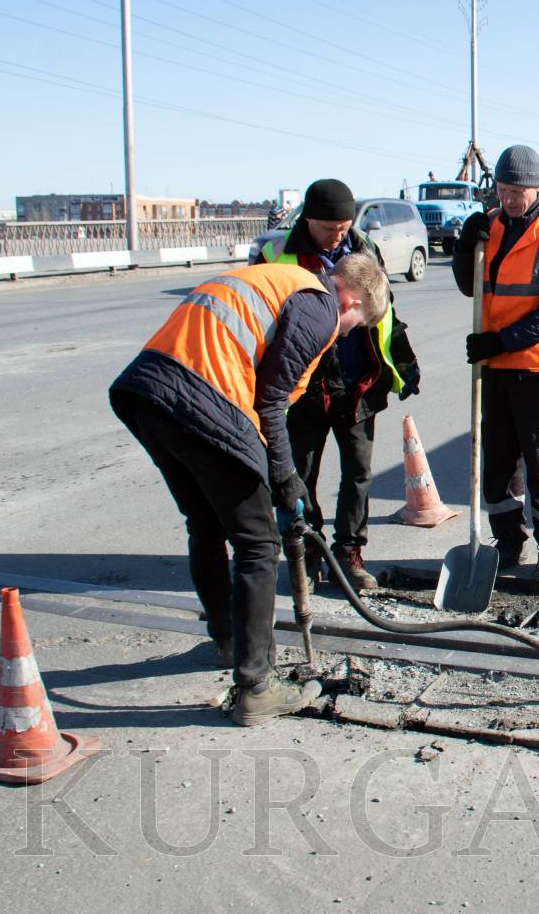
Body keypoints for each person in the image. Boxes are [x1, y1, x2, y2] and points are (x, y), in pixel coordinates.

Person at [110, 253, 389, 725]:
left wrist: (273, 473)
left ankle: (227, 640)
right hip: (201, 397)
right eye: (355, 323)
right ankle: (256, 686)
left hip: (147, 393)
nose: (345, 335)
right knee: (258, 544)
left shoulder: (274, 281)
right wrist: (285, 480)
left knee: (204, 522)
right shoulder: (319, 305)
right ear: (351, 298)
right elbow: (271, 400)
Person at [255, 178, 420, 591]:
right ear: (308, 219)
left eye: (345, 226)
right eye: (331, 228)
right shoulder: (278, 255)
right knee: (301, 476)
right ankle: (309, 553)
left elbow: (384, 313)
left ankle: (349, 552)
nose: (339, 234)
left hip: (357, 385)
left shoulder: (364, 248)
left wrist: (404, 361)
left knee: (359, 475)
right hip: (304, 389)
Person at [453, 145, 539, 582]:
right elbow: (467, 285)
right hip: (494, 367)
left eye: (518, 192)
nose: (509, 199)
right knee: (498, 459)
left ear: (537, 188)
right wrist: (463, 244)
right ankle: (507, 541)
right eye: (503, 190)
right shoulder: (489, 226)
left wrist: (500, 341)